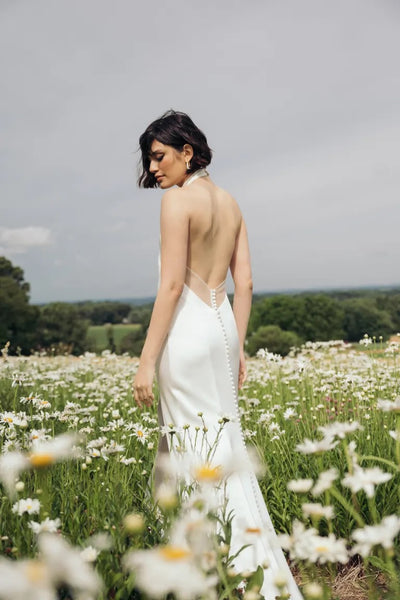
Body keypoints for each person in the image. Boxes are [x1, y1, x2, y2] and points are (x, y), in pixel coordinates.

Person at [133, 110, 303, 599]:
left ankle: (204, 569)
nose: (155, 168)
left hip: (186, 333)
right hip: (221, 326)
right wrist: (238, 345)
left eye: (161, 156)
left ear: (188, 151)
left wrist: (146, 360)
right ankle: (244, 569)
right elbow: (243, 282)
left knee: (193, 452)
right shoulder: (230, 203)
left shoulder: (177, 202)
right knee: (222, 446)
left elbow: (170, 285)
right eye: (150, 159)